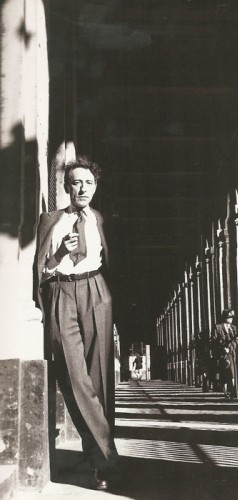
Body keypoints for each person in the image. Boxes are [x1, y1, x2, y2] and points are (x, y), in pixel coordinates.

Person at [33, 156, 121, 492]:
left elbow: (114, 262)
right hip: (60, 293)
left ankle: (99, 458)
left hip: (96, 291)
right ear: (67, 188)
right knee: (72, 376)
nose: (82, 188)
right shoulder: (50, 221)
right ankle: (106, 457)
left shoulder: (100, 219)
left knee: (98, 379)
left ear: (96, 187)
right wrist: (57, 256)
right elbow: (40, 269)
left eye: (88, 183)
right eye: (76, 183)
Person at [212, 309, 238, 399]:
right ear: (225, 318)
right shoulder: (218, 328)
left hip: (231, 354)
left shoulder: (234, 328)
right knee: (224, 373)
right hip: (222, 355)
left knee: (232, 372)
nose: (231, 319)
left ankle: (233, 391)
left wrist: (230, 348)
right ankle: (226, 392)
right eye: (229, 317)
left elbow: (236, 340)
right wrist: (222, 348)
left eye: (231, 317)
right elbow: (214, 341)